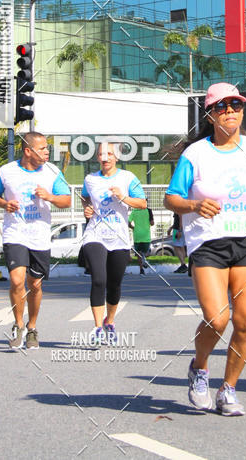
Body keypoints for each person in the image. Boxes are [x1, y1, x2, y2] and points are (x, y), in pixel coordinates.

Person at [164, 82, 246, 417]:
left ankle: (228, 389)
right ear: (210, 114)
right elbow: (171, 198)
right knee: (217, 318)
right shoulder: (196, 154)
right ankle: (199, 368)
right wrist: (194, 205)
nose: (230, 111)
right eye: (222, 106)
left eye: (236, 105)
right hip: (208, 242)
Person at [0, 132, 71, 349]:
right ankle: (18, 325)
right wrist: (4, 204)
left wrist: (49, 197)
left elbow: (67, 200)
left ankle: (32, 327)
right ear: (28, 151)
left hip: (40, 236)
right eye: (42, 148)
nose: (46, 152)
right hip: (15, 233)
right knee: (17, 281)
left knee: (35, 284)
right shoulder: (7, 171)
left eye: (47, 148)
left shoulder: (52, 172)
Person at [79, 142, 147, 343]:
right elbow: (85, 198)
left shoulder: (128, 178)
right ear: (97, 158)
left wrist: (123, 196)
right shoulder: (90, 179)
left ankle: (109, 321)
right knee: (99, 279)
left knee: (114, 283)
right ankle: (97, 328)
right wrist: (87, 208)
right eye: (101, 154)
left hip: (119, 237)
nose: (105, 158)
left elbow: (142, 203)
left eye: (109, 154)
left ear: (116, 157)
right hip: (95, 234)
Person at [129, 205, 154, 274]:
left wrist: (133, 228)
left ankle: (141, 269)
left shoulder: (134, 211)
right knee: (147, 252)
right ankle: (144, 260)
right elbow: (152, 223)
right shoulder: (149, 211)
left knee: (138, 253)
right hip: (146, 235)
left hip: (137, 235)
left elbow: (129, 223)